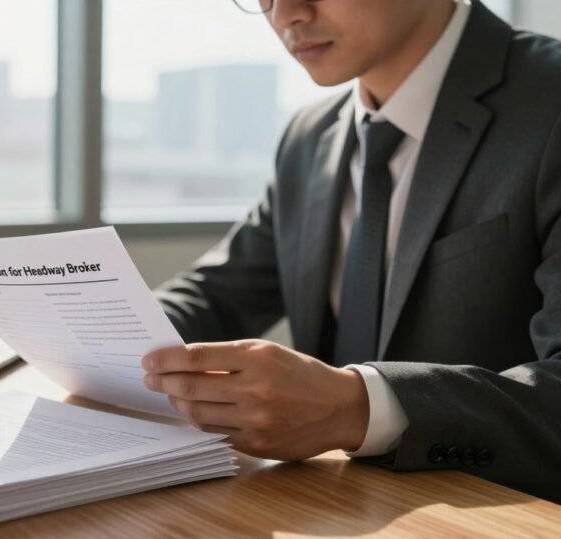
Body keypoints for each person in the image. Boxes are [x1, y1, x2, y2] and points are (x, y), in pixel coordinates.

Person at [143, 0, 561, 501]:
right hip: (340, 520)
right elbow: (220, 293)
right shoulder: (310, 136)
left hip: (505, 532)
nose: (286, 14)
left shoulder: (549, 103)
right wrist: (96, 332)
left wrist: (356, 408)